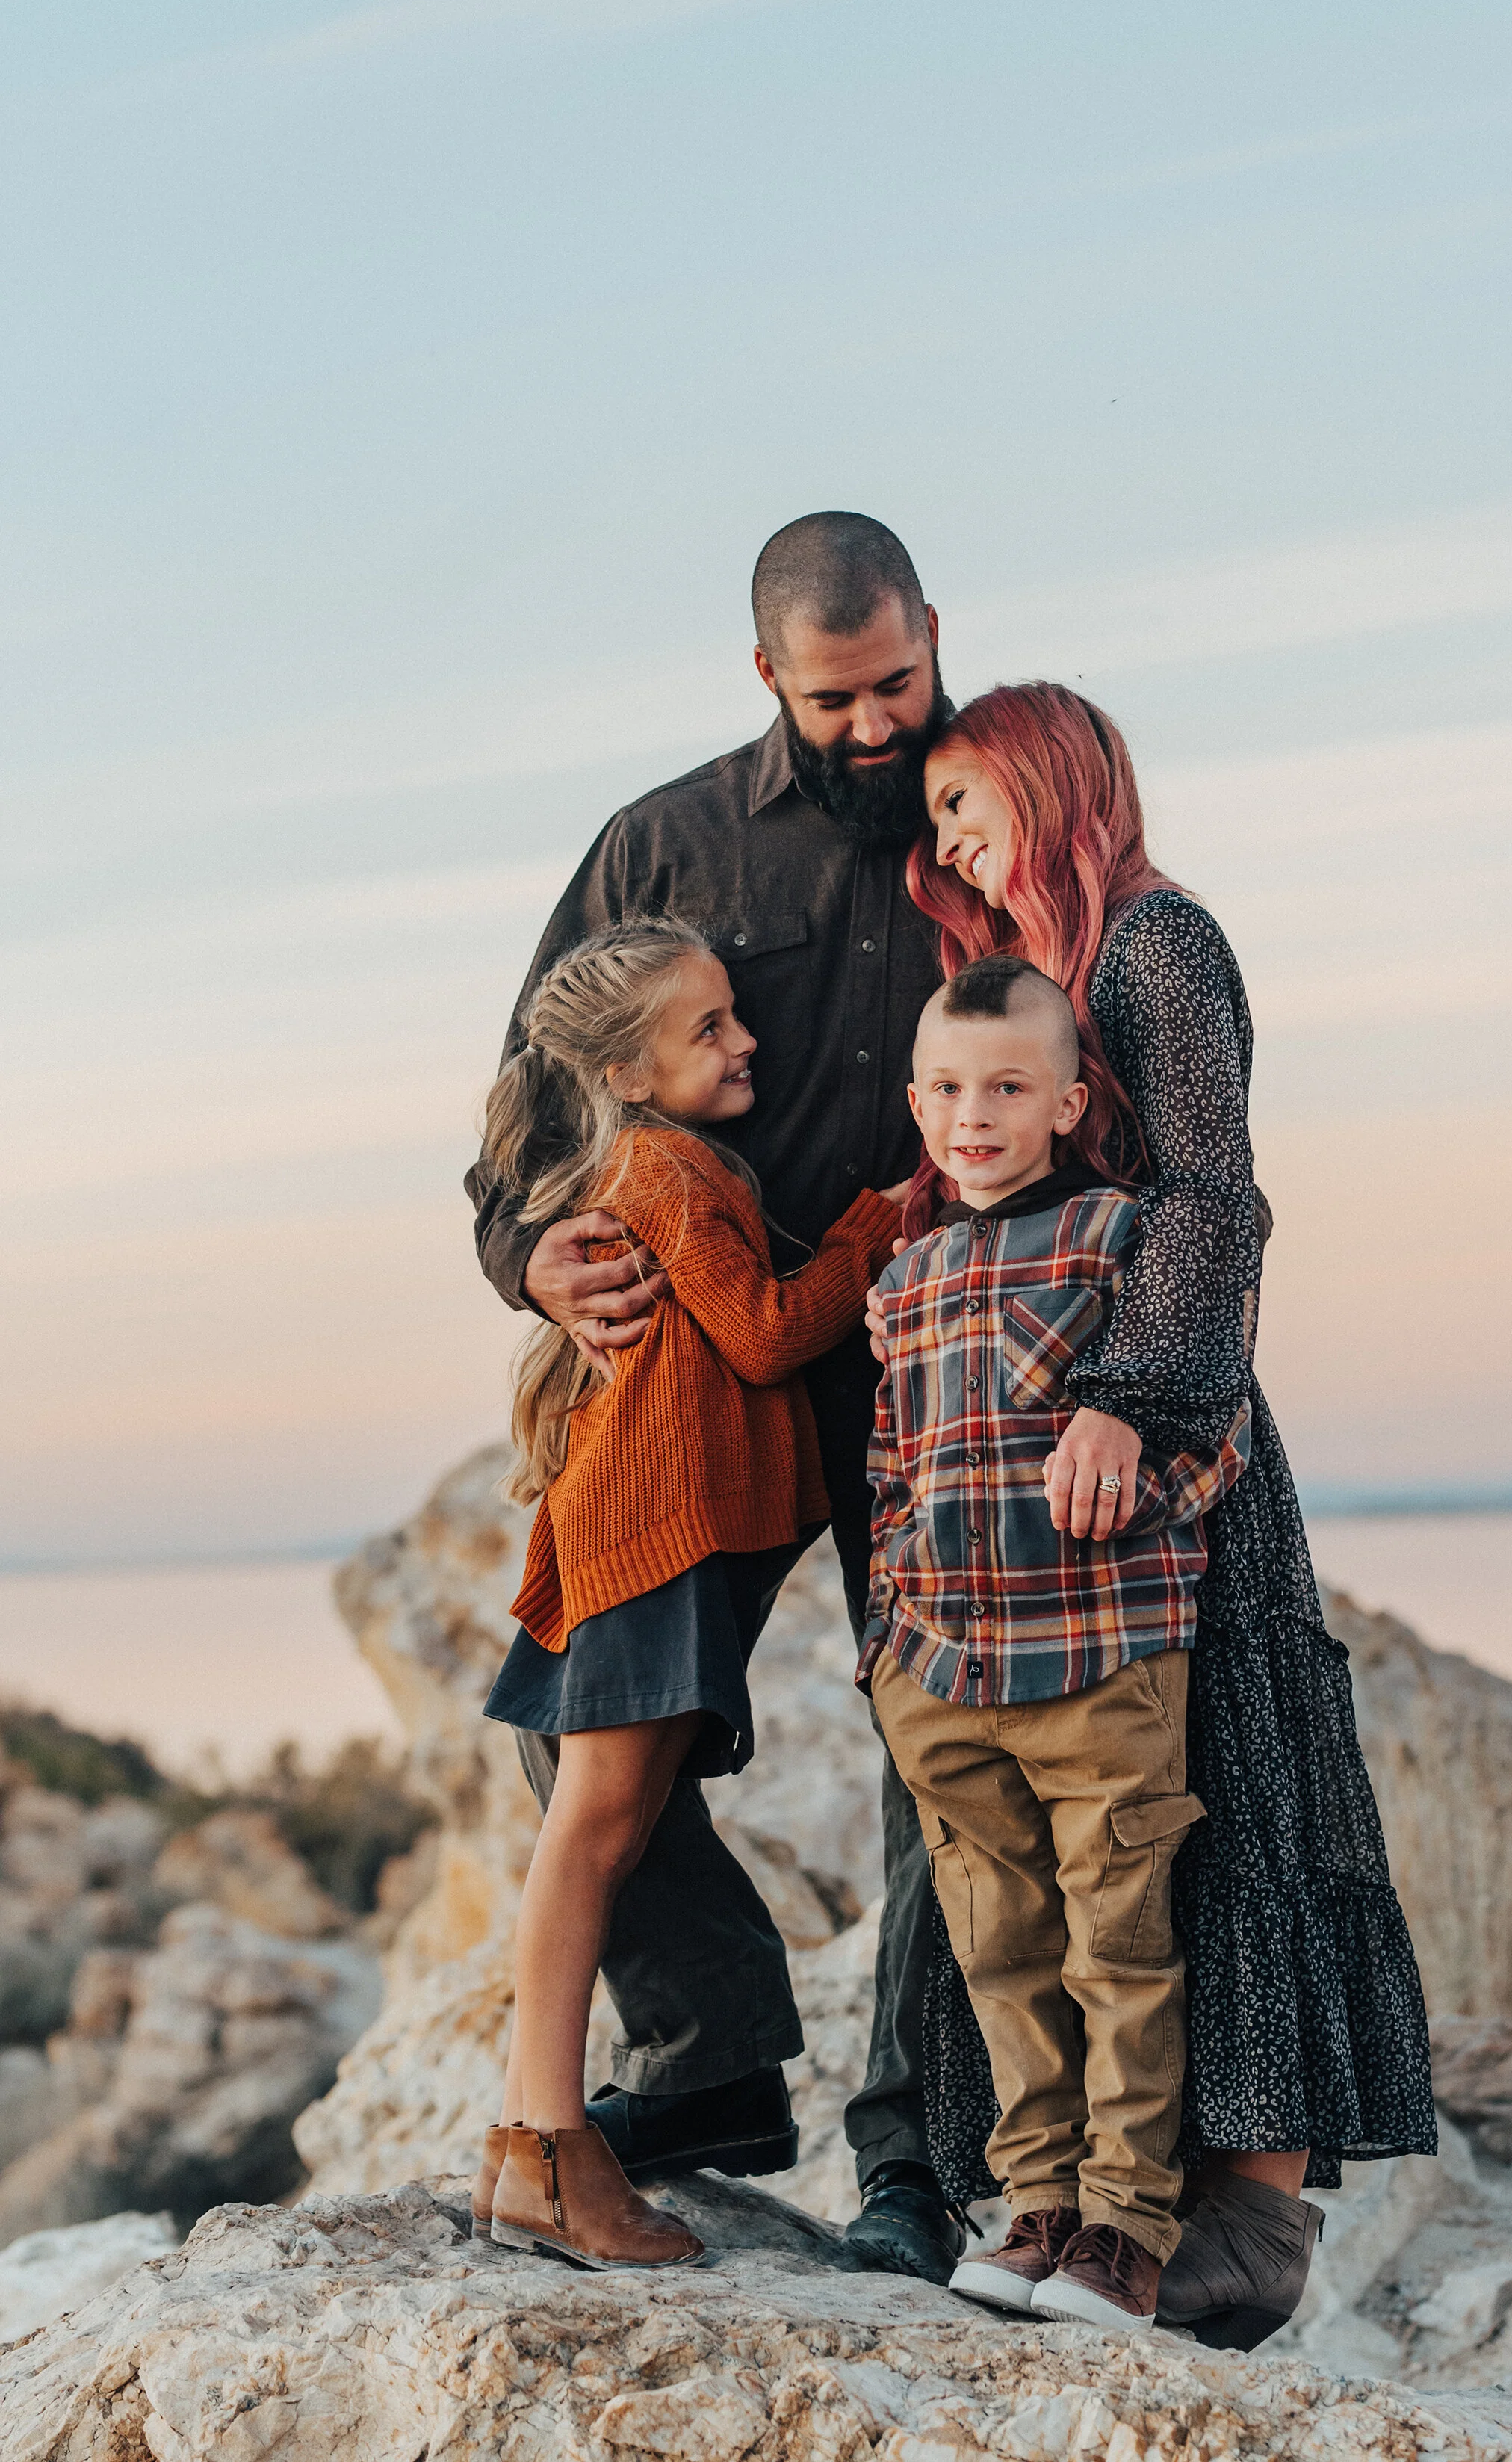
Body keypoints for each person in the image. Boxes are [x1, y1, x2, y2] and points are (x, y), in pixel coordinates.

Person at [878, 680, 1437, 2343]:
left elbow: (1213, 1192)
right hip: (1057, 1477)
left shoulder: (1155, 943)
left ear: (1049, 779)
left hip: (1159, 1434)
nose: (948, 841)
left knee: (1223, 1818)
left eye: (966, 801)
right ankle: (1088, 2206)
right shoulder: (1056, 972)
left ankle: (1245, 2231)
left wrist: (1134, 1396)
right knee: (1088, 1879)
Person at [466, 512, 964, 2280]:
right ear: (768, 674)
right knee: (583, 1745)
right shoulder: (660, 847)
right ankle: (710, 2063)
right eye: (836, 698)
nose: (877, 724)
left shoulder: (993, 816)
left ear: (935, 632)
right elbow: (527, 1112)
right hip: (716, 1377)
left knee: (945, 1747)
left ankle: (918, 2164)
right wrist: (530, 1256)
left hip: (933, 1371)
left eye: (898, 680)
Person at [470, 918, 906, 2269]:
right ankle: (542, 2150)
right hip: (650, 1535)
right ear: (630, 1072)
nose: (746, 1040)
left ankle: (564, 2140)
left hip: (657, 1533)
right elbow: (767, 1332)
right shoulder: (663, 1167)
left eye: (736, 1014)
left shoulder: (673, 1158)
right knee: (596, 1831)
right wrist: (877, 1227)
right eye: (709, 1027)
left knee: (617, 1821)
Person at [861, 956, 1255, 2334]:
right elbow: (890, 1477)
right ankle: (1036, 2207)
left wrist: (1134, 1510)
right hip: (945, 1678)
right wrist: (887, 1650)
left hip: (1101, 1660)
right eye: (951, 1089)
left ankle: (1126, 2227)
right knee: (1002, 1952)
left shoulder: (1120, 1238)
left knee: (1120, 1946)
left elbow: (1215, 1428)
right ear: (920, 1104)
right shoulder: (900, 1282)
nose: (976, 1115)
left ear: (1069, 1103)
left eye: (1009, 1087)